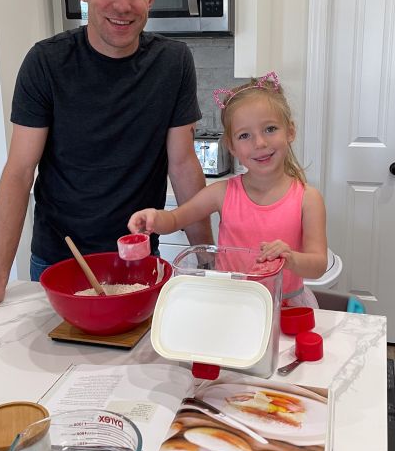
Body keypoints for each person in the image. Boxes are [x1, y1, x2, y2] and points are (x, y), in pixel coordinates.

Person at [0, 0, 212, 317]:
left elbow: (182, 163)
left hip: (139, 260)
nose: (122, 4)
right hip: (59, 264)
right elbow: (20, 171)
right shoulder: (46, 63)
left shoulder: (173, 63)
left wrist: (207, 262)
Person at [128, 72, 328, 306]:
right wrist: (153, 218)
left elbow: (318, 266)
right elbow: (174, 219)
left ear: (290, 132)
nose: (260, 143)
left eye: (270, 129)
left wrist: (291, 258)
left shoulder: (307, 199)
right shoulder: (222, 193)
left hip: (287, 308)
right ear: (231, 147)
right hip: (232, 304)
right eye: (245, 135)